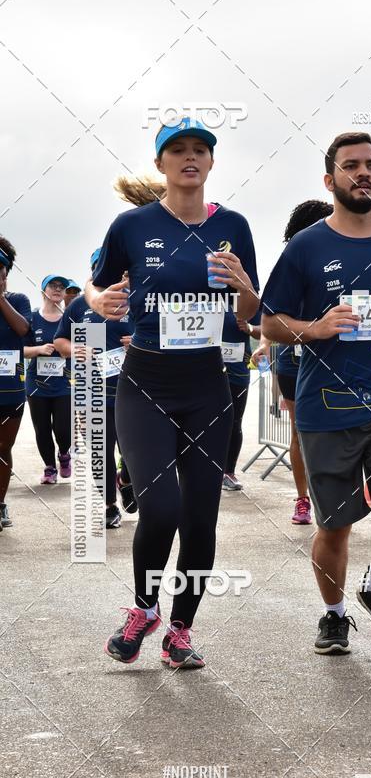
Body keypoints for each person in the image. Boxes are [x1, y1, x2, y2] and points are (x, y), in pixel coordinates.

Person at [86, 116, 260, 669]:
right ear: (160, 163)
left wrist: (242, 286)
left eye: (199, 150)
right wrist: (97, 302)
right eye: (178, 150)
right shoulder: (131, 226)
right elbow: (96, 284)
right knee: (160, 509)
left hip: (208, 386)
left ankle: (180, 631)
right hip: (146, 384)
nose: (190, 157)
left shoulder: (233, 226)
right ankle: (144, 610)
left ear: (211, 162)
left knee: (201, 519)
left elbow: (251, 312)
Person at [261, 131, 371, 655]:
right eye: (351, 165)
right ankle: (333, 616)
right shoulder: (305, 247)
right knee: (334, 527)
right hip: (326, 404)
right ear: (329, 179)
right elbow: (270, 323)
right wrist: (315, 328)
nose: (363, 173)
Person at [253, 200, 334, 524]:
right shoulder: (291, 262)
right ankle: (303, 500)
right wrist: (264, 344)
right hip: (292, 361)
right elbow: (271, 316)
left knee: (336, 431)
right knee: (300, 432)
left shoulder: (341, 259)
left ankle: (338, 494)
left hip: (331, 358)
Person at [54, 256, 136, 529]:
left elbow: (158, 336)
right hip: (92, 393)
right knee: (101, 452)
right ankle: (110, 506)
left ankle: (126, 480)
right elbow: (60, 340)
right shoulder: (80, 305)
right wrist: (73, 349)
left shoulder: (135, 300)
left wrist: (138, 342)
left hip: (131, 392)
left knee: (133, 451)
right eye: (99, 265)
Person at [24, 275, 72, 484]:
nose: (58, 289)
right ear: (43, 290)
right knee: (41, 428)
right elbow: (20, 350)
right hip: (37, 383)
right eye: (53, 285)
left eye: (62, 287)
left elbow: (87, 345)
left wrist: (68, 350)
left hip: (64, 383)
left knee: (63, 429)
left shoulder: (69, 318)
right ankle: (50, 468)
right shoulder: (32, 318)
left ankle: (64, 453)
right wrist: (39, 349)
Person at [0, 235, 31, 530]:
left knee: (3, 448)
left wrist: (0, 298)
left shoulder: (18, 300)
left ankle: (0, 504)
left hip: (10, 393)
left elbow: (22, 329)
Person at [221, 306, 261, 490]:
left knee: (235, 421)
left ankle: (229, 473)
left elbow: (265, 330)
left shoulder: (248, 299)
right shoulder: (206, 295)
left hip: (238, 372)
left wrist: (250, 328)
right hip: (207, 370)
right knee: (203, 422)